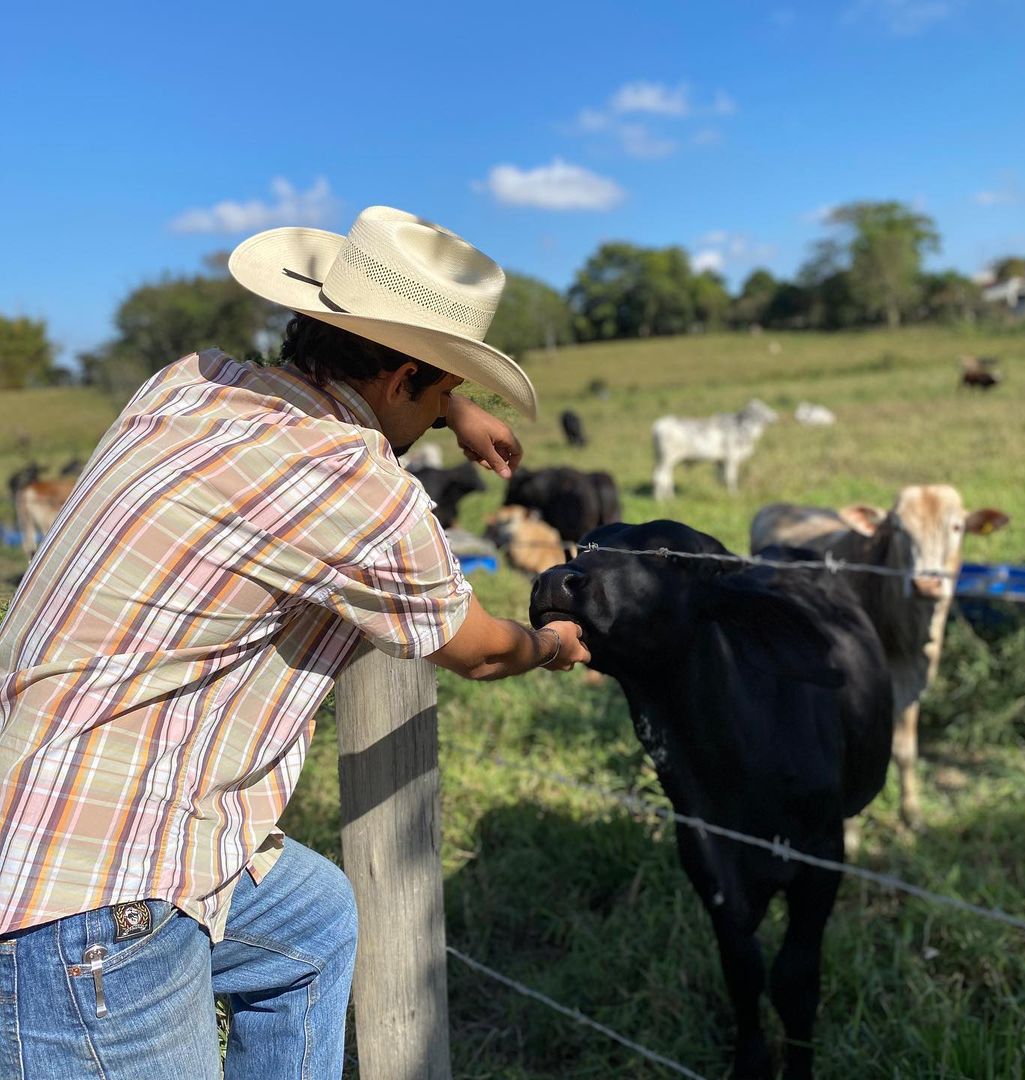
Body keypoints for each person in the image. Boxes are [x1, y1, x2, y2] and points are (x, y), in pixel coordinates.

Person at [0, 205, 590, 1078]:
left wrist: (447, 406)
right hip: (93, 896)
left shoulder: (188, 383)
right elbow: (482, 652)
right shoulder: (359, 486)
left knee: (312, 920)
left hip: (48, 795)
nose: (439, 419)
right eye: (434, 395)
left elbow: (372, 400)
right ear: (399, 377)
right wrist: (555, 643)